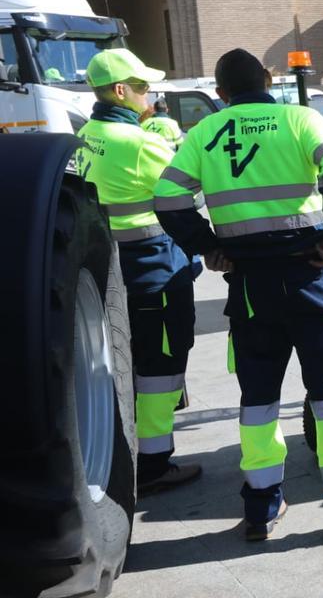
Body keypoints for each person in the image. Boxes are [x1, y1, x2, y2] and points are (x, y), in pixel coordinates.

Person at [153, 49, 323, 542]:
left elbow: (167, 199)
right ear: (268, 80)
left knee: (259, 398)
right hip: (308, 275)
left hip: (248, 285)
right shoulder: (300, 118)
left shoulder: (204, 133)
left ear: (221, 94)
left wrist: (210, 248)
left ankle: (262, 510)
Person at [76, 49, 201, 494]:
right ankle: (152, 463)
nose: (150, 93)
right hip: (155, 266)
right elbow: (186, 194)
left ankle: (130, 452)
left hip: (111, 268)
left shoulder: (87, 134)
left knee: (126, 362)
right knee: (162, 364)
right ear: (120, 90)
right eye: (143, 86)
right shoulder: (141, 142)